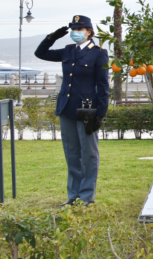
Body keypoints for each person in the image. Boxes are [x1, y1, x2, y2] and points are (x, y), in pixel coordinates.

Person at [34, 15, 109, 206]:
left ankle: (86, 196)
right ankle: (73, 195)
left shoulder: (99, 53)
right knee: (72, 152)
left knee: (89, 154)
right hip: (66, 108)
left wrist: (101, 113)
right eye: (73, 30)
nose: (75, 33)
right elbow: (40, 53)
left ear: (89, 32)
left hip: (87, 110)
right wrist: (52, 37)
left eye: (79, 30)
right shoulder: (68, 50)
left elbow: (103, 86)